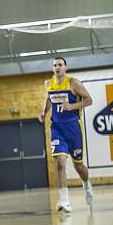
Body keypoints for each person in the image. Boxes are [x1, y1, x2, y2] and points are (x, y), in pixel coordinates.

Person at [39, 57, 94, 211]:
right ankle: (64, 200)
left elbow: (89, 100)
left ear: (65, 68)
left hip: (73, 127)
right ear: (53, 68)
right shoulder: (48, 84)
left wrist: (72, 106)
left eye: (60, 65)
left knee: (79, 166)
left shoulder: (73, 83)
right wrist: (43, 112)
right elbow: (49, 100)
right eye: (55, 65)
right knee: (60, 163)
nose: (57, 67)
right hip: (57, 128)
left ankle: (87, 185)